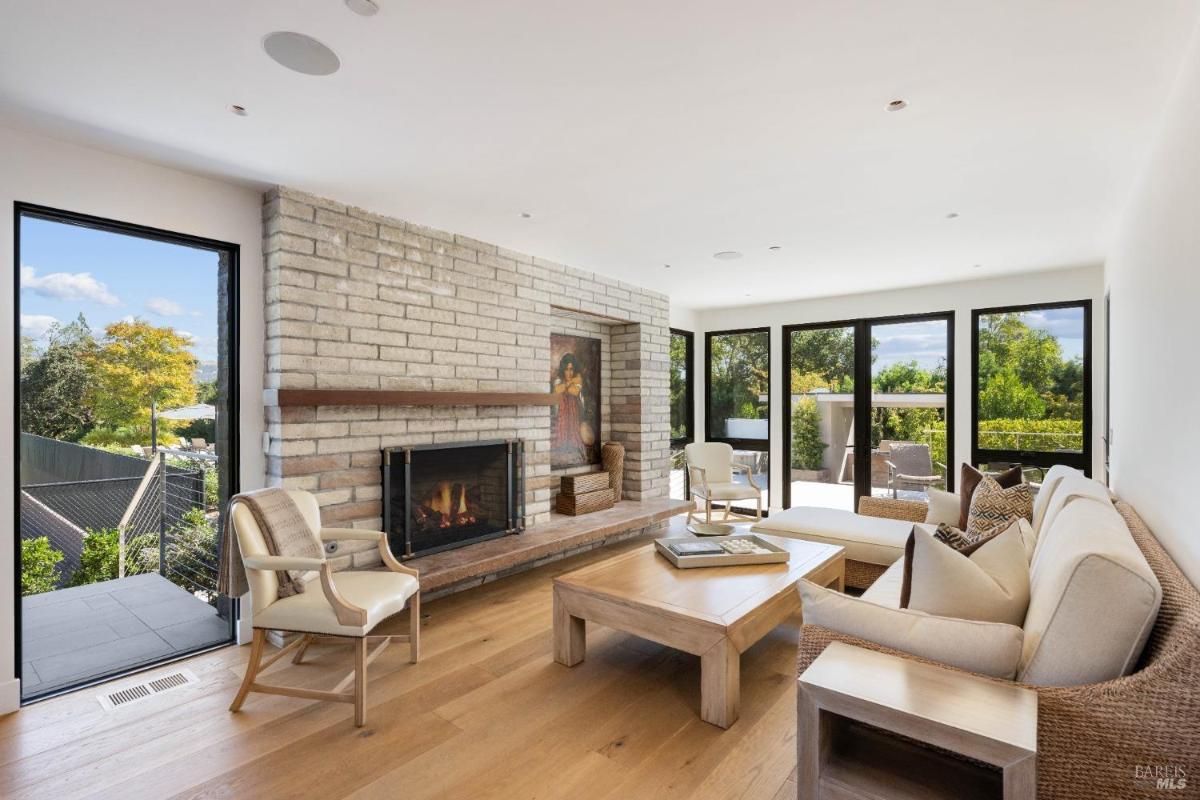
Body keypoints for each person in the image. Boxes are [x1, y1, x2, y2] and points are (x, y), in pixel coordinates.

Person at [552, 353, 588, 464]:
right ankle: (562, 448)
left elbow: (575, 391)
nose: (569, 372)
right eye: (567, 369)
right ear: (563, 370)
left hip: (573, 411)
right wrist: (571, 382)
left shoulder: (578, 381)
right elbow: (558, 390)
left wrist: (566, 386)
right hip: (562, 411)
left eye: (571, 369)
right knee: (563, 426)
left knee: (573, 427)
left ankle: (573, 449)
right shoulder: (559, 380)